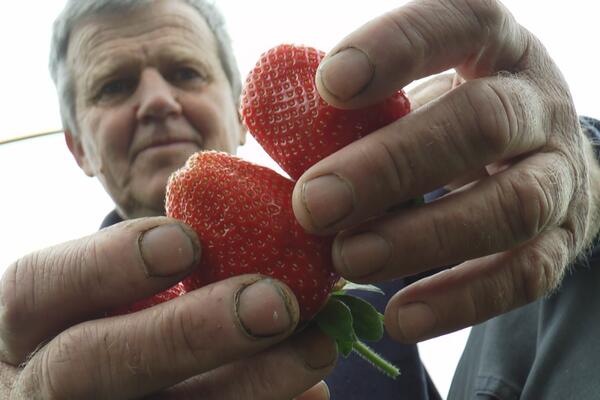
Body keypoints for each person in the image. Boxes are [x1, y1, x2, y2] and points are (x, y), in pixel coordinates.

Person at [1, 0, 598, 399]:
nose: (157, 101)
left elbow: (507, 196)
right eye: (115, 86)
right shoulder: (48, 340)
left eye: (185, 73)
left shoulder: (357, 221)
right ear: (78, 148)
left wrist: (571, 172)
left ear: (239, 112)